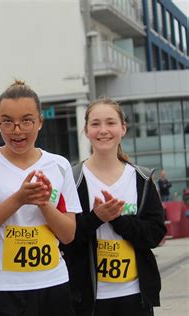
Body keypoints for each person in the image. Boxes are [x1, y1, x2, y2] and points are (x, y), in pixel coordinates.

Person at [0, 80, 82, 316]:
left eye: (27, 121)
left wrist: (44, 203)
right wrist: (19, 198)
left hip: (53, 283)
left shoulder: (59, 165)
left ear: (40, 122)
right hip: (0, 286)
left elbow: (68, 235)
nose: (17, 130)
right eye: (8, 122)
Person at [61, 98, 166, 316]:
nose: (103, 131)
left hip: (136, 296)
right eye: (95, 124)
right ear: (86, 130)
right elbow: (64, 240)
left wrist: (119, 220)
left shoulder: (142, 179)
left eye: (110, 123)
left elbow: (155, 234)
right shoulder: (72, 178)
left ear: (123, 128)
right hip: (87, 299)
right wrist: (96, 217)